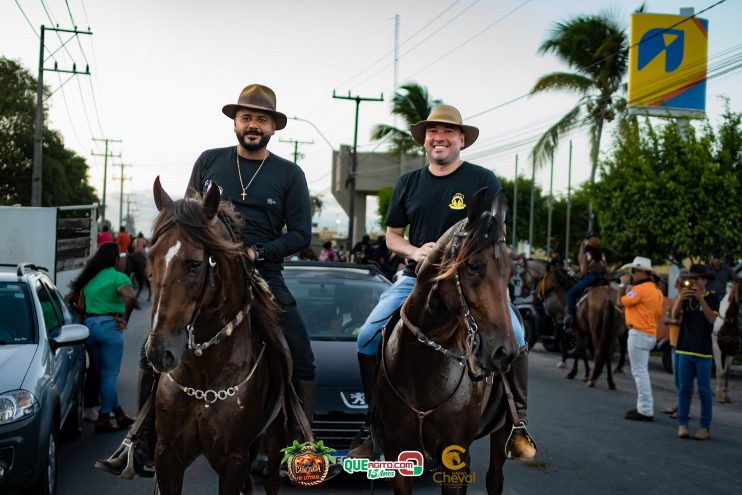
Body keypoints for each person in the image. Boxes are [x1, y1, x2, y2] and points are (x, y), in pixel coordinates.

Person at [97, 83, 315, 476]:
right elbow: (189, 217)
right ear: (235, 122)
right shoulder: (209, 160)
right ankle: (139, 441)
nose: (253, 125)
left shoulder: (289, 173)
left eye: (261, 119)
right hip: (205, 272)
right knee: (158, 341)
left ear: (272, 127)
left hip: (262, 273)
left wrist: (256, 252)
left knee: (299, 352)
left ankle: (301, 448)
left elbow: (301, 234)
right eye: (246, 117)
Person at [348, 104, 535, 461]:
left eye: (448, 132)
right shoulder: (409, 183)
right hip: (415, 280)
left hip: (473, 281)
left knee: (519, 337)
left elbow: (497, 238)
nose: (440, 138)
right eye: (433, 132)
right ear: (425, 140)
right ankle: (373, 423)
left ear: (461, 140)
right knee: (367, 337)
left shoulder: (483, 180)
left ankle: (517, 422)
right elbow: (392, 237)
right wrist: (416, 252)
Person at [66, 243, 136, 433]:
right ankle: (104, 419)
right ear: (115, 260)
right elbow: (130, 297)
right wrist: (124, 320)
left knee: (103, 373)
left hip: (89, 328)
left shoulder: (88, 278)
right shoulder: (117, 277)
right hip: (109, 328)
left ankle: (119, 413)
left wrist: (81, 312)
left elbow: (68, 298)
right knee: (109, 375)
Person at [671, 264, 719, 440]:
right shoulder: (685, 296)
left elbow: (712, 319)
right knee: (684, 388)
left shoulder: (712, 298)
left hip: (703, 353)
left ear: (704, 280)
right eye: (691, 279)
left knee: (705, 391)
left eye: (697, 279)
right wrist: (679, 299)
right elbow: (675, 316)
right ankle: (682, 424)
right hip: (684, 349)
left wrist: (701, 299)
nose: (693, 282)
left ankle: (704, 427)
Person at [617, 257, 664, 421]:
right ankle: (644, 407)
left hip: (638, 334)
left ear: (643, 272)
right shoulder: (657, 291)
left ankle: (645, 409)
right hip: (649, 333)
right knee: (642, 372)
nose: (632, 274)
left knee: (639, 373)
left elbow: (621, 301)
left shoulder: (640, 289)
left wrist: (623, 285)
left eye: (634, 271)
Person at [563, 232, 610, 333]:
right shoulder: (602, 255)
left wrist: (577, 269)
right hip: (601, 279)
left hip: (590, 279)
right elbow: (607, 269)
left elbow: (584, 271)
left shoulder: (587, 255)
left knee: (570, 294)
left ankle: (570, 316)